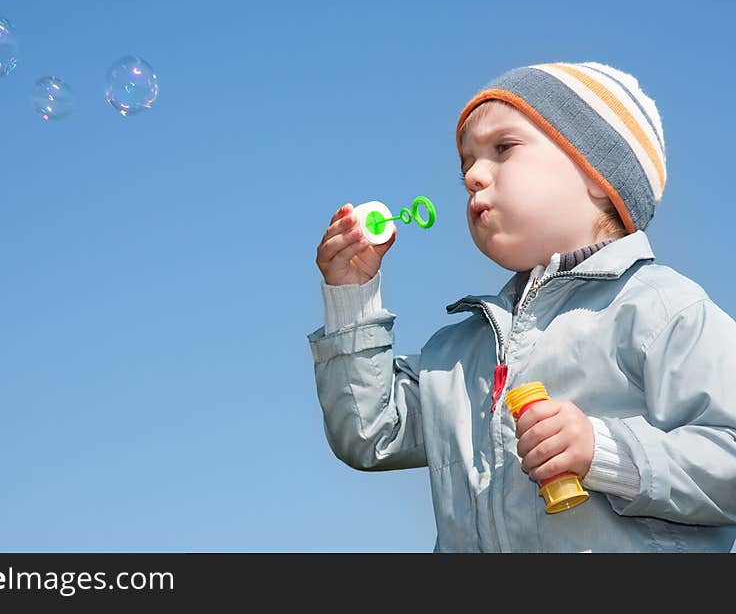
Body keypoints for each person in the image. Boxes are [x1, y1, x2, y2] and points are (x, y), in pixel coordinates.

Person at [307, 61, 736, 552]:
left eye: (502, 149)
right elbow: (368, 433)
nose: (473, 176)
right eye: (465, 163)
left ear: (596, 174)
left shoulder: (660, 308)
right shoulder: (460, 350)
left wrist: (605, 452)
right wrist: (351, 296)